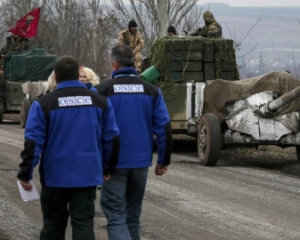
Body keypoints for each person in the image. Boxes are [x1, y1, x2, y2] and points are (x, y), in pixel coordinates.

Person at [17, 56, 120, 240]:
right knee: (83, 225)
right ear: (78, 75)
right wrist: (108, 167)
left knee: (53, 226)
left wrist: (25, 172)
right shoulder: (100, 102)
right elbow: (112, 138)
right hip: (87, 176)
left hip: (55, 177)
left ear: (55, 78)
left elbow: (33, 141)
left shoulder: (44, 104)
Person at [97, 44, 172, 240]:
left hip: (111, 165)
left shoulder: (102, 91)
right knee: (132, 218)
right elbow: (164, 127)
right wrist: (163, 161)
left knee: (115, 218)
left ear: (114, 64)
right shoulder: (152, 90)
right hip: (140, 163)